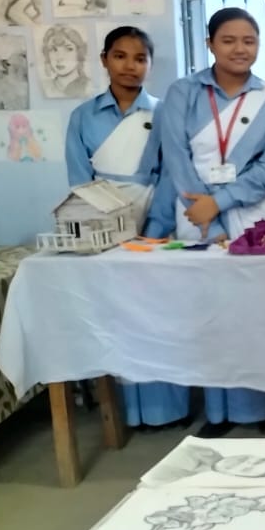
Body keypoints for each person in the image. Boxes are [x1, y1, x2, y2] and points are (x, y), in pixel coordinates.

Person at [145, 7, 265, 438]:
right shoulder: (183, 92)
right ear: (210, 43)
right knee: (209, 312)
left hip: (255, 216)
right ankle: (219, 410)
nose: (239, 49)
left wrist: (221, 201)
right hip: (193, 212)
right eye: (228, 40)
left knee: (259, 312)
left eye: (249, 40)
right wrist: (205, 214)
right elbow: (175, 156)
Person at [66, 27, 189, 431]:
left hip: (153, 220)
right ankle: (127, 411)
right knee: (118, 315)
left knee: (159, 314)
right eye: (120, 56)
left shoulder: (164, 112)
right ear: (104, 59)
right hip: (101, 223)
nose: (130, 66)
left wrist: (155, 227)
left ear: (150, 64)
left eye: (140, 58)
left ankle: (167, 409)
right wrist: (98, 223)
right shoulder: (83, 116)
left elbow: (172, 173)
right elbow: (79, 179)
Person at [40, 25, 92, 98]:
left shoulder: (90, 87)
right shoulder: (43, 88)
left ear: (79, 52)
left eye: (68, 49)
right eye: (54, 49)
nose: (59, 58)